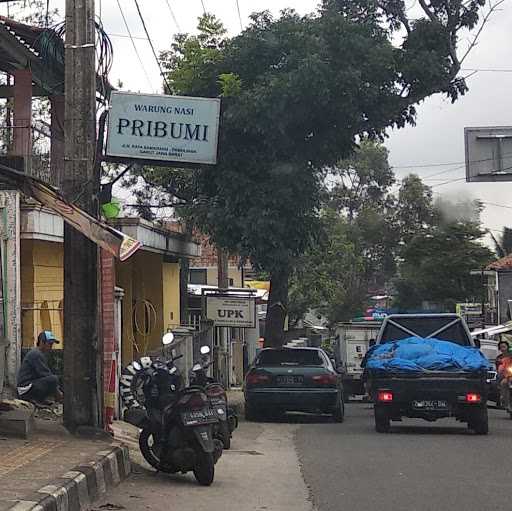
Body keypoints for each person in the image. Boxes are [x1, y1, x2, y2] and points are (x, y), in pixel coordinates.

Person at [17, 331, 63, 406]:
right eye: (50, 344)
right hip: (25, 389)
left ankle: (40, 399)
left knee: (53, 380)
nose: (51, 347)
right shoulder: (36, 354)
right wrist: (58, 393)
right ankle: (35, 399)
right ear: (42, 342)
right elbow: (46, 375)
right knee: (54, 379)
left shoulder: (39, 353)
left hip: (29, 386)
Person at [496, 340, 512, 411]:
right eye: (501, 347)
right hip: (506, 375)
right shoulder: (499, 357)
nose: (503, 349)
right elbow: (499, 367)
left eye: (504, 347)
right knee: (503, 383)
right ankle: (505, 401)